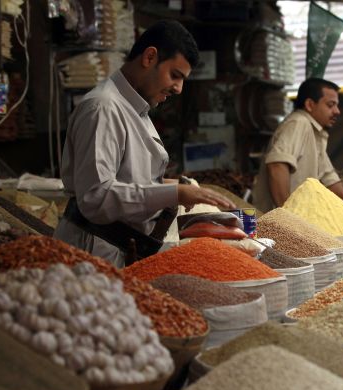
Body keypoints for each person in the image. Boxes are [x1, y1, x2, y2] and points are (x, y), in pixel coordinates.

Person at [54, 21, 234, 267]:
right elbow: (96, 198)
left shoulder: (137, 110)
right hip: (93, 254)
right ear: (150, 57)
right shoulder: (103, 108)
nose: (179, 88)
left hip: (117, 250)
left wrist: (170, 187)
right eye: (175, 75)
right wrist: (175, 193)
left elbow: (126, 180)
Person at [252, 78, 343, 212]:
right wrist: (287, 215)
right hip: (277, 223)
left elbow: (328, 177)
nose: (337, 111)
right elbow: (277, 165)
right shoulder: (299, 123)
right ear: (309, 104)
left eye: (336, 105)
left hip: (298, 221)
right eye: (330, 105)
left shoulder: (315, 132)